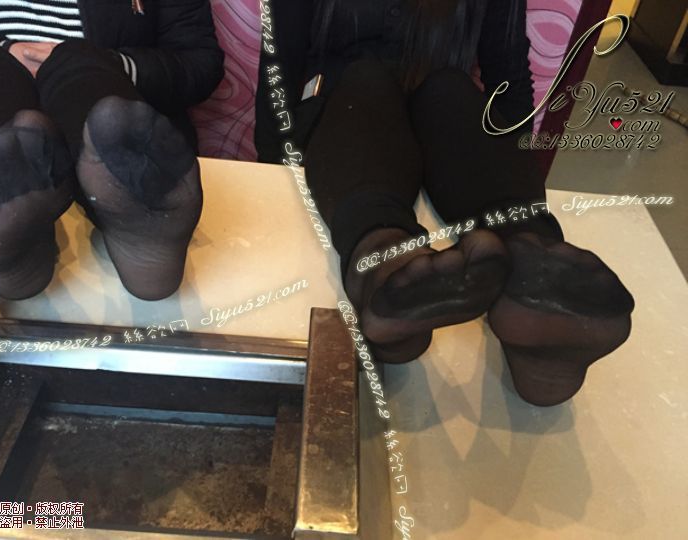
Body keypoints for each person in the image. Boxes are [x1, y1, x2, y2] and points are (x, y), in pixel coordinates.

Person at [256, 0, 635, 406]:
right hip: (343, 111)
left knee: (450, 89)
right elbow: (280, 65)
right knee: (367, 79)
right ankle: (389, 267)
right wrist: (277, 171)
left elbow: (506, 74)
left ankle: (527, 262)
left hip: (438, 116)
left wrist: (509, 164)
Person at [0, 0, 224, 301]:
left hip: (97, 103)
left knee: (77, 62)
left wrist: (113, 63)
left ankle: (137, 198)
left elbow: (200, 63)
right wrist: (4, 51)